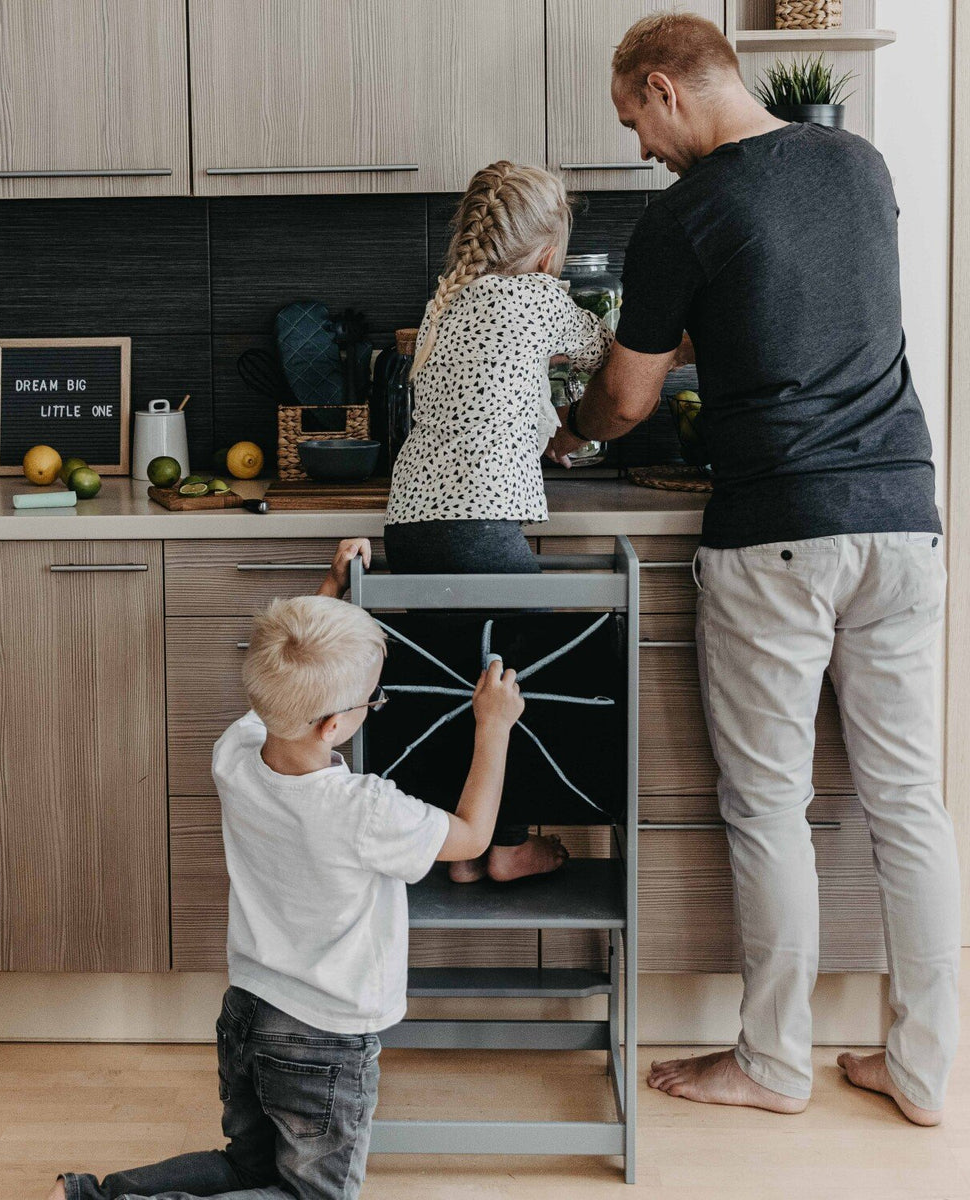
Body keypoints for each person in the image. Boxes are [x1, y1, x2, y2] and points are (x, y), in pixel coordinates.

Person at [547, 11, 959, 1126]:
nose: (639, 145)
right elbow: (801, 310)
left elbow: (628, 398)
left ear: (669, 87)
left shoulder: (686, 214)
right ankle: (923, 1071)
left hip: (778, 531)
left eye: (636, 118)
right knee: (910, 805)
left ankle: (774, 1064)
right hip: (904, 518)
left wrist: (572, 433)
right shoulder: (859, 165)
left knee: (772, 805)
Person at [50, 539, 525, 1200]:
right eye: (371, 700)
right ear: (334, 726)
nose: (371, 707)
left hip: (247, 1010)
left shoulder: (235, 752)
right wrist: (493, 726)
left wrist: (328, 587)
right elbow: (472, 836)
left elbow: (279, 681)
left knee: (247, 1166)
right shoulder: (362, 810)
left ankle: (87, 1196)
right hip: (323, 1038)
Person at [384, 159, 614, 883]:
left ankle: (458, 849)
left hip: (413, 523)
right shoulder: (539, 297)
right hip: (479, 528)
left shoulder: (444, 302)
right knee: (524, 685)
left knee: (456, 685)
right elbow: (614, 357)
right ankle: (508, 842)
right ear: (549, 252)